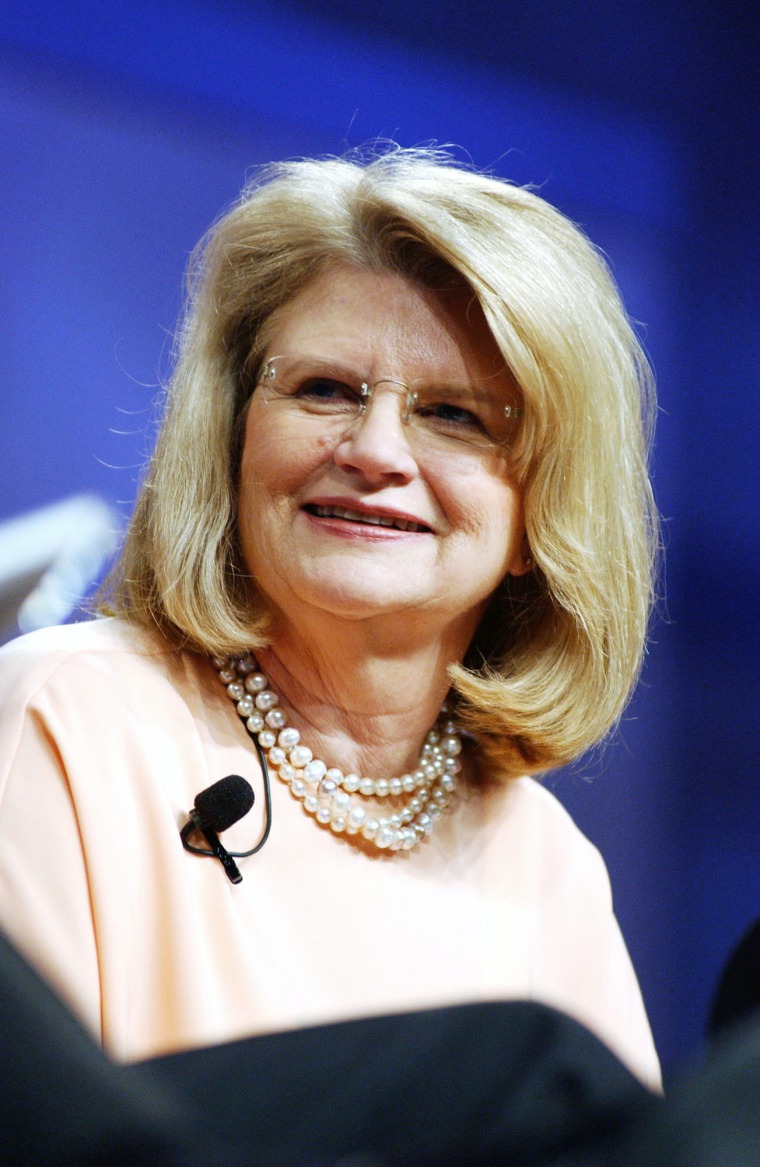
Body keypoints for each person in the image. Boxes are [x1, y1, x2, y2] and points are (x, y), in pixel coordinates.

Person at [0, 147, 660, 1086]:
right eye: (323, 390)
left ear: (539, 516)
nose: (376, 448)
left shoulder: (546, 862)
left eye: (457, 415)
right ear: (233, 436)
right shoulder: (65, 719)